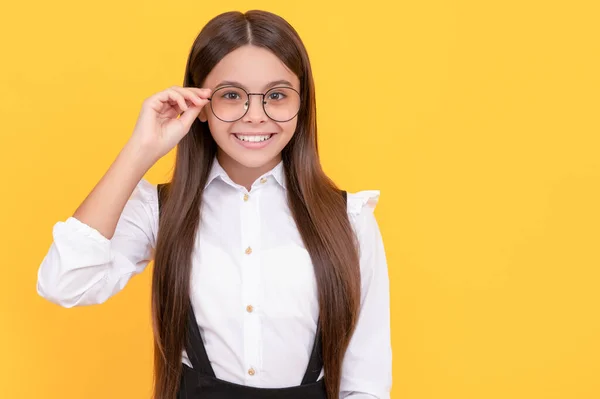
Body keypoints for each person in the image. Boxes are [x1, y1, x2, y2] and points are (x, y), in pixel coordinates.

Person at [36, 9, 392, 399]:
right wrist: (140, 150)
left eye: (276, 95)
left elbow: (366, 381)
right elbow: (64, 282)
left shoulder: (349, 219)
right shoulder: (162, 209)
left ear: (302, 102)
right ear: (200, 104)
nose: (255, 116)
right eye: (231, 95)